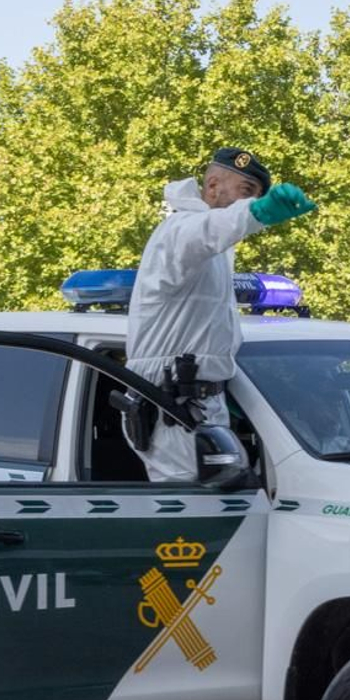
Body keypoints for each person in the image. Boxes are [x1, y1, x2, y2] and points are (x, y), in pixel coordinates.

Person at [125, 148, 316, 481]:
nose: (251, 201)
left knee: (223, 499)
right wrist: (257, 212)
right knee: (197, 507)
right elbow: (208, 231)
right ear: (212, 186)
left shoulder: (213, 253)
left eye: (257, 197)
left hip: (196, 407)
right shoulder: (180, 230)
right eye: (246, 191)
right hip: (173, 410)